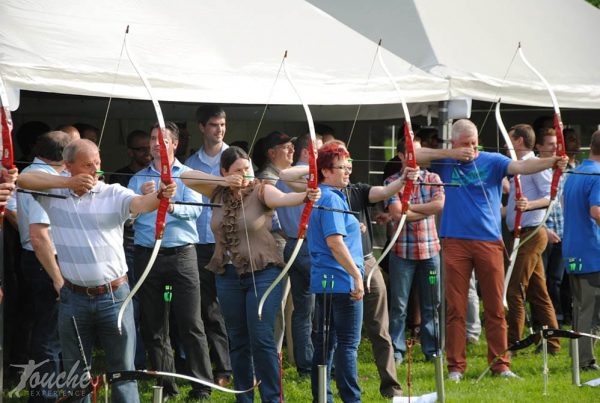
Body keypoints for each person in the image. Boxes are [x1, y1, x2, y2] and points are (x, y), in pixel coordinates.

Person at [18, 139, 177, 403]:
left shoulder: (112, 193)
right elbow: (24, 180)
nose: (95, 170)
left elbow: (140, 203)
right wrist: (68, 183)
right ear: (68, 165)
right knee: (75, 375)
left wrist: (160, 195)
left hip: (113, 296)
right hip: (73, 297)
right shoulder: (53, 193)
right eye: (88, 165)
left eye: (98, 163)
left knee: (123, 372)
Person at [416, 119, 567, 381]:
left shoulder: (493, 160)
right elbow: (414, 155)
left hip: (488, 241)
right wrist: (452, 154)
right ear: (454, 142)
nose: (471, 148)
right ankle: (455, 367)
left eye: (474, 143)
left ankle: (501, 364)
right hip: (455, 241)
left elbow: (522, 166)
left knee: (496, 307)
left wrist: (552, 161)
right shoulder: (446, 161)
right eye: (465, 144)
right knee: (455, 308)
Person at [181, 146, 320, 403]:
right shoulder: (217, 191)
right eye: (238, 170)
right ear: (224, 171)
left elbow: (283, 198)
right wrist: (224, 182)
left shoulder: (262, 189)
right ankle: (244, 398)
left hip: (263, 273)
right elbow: (185, 176)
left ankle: (272, 398)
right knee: (238, 339)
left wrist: (306, 196)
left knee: (262, 337)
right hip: (228, 275)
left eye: (247, 169)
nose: (245, 174)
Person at [128, 122, 212, 400]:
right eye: (153, 138)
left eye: (162, 139)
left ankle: (202, 386)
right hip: (147, 254)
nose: (156, 144)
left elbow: (196, 210)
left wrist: (170, 204)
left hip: (181, 255)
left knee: (191, 322)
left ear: (175, 144)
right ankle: (166, 385)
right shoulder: (138, 179)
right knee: (154, 325)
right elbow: (127, 216)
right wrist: (143, 199)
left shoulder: (186, 175)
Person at [304, 142, 363, 402]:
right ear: (326, 171)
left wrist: (354, 227)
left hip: (326, 280)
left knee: (325, 343)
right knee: (347, 344)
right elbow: (334, 242)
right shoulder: (329, 198)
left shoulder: (323, 196)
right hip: (341, 280)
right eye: (342, 167)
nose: (348, 172)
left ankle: (322, 398)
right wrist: (357, 275)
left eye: (349, 167)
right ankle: (351, 399)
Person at [16, 131, 71, 402]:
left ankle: (47, 392)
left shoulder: (39, 173)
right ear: (64, 156)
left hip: (39, 260)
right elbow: (39, 236)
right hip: (45, 261)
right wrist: (57, 278)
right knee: (48, 335)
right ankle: (45, 395)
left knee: (47, 330)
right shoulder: (42, 179)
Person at [184, 104, 232, 386]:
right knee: (208, 308)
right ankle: (222, 367)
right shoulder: (190, 163)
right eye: (214, 124)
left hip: (230, 242)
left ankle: (234, 364)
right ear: (202, 127)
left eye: (223, 124)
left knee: (230, 305)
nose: (219, 129)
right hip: (200, 242)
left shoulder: (236, 158)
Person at [385, 139, 444, 364]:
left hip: (430, 253)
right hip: (402, 253)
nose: (418, 156)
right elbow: (396, 214)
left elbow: (438, 205)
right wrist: (417, 211)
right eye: (412, 152)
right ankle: (397, 350)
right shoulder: (392, 182)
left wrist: (409, 209)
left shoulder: (433, 178)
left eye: (420, 151)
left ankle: (432, 350)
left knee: (432, 303)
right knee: (399, 305)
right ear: (401, 156)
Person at [504, 124, 560, 354]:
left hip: (531, 233)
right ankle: (553, 343)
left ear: (518, 141)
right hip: (523, 234)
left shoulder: (535, 164)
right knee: (538, 292)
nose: (506, 144)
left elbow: (552, 197)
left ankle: (512, 344)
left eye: (509, 139)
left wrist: (529, 205)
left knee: (514, 290)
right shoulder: (518, 166)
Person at [562, 130, 600, 371]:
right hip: (591, 252)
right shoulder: (597, 175)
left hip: (573, 250)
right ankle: (584, 360)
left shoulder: (575, 173)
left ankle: (577, 356)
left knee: (580, 306)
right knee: (590, 308)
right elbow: (596, 211)